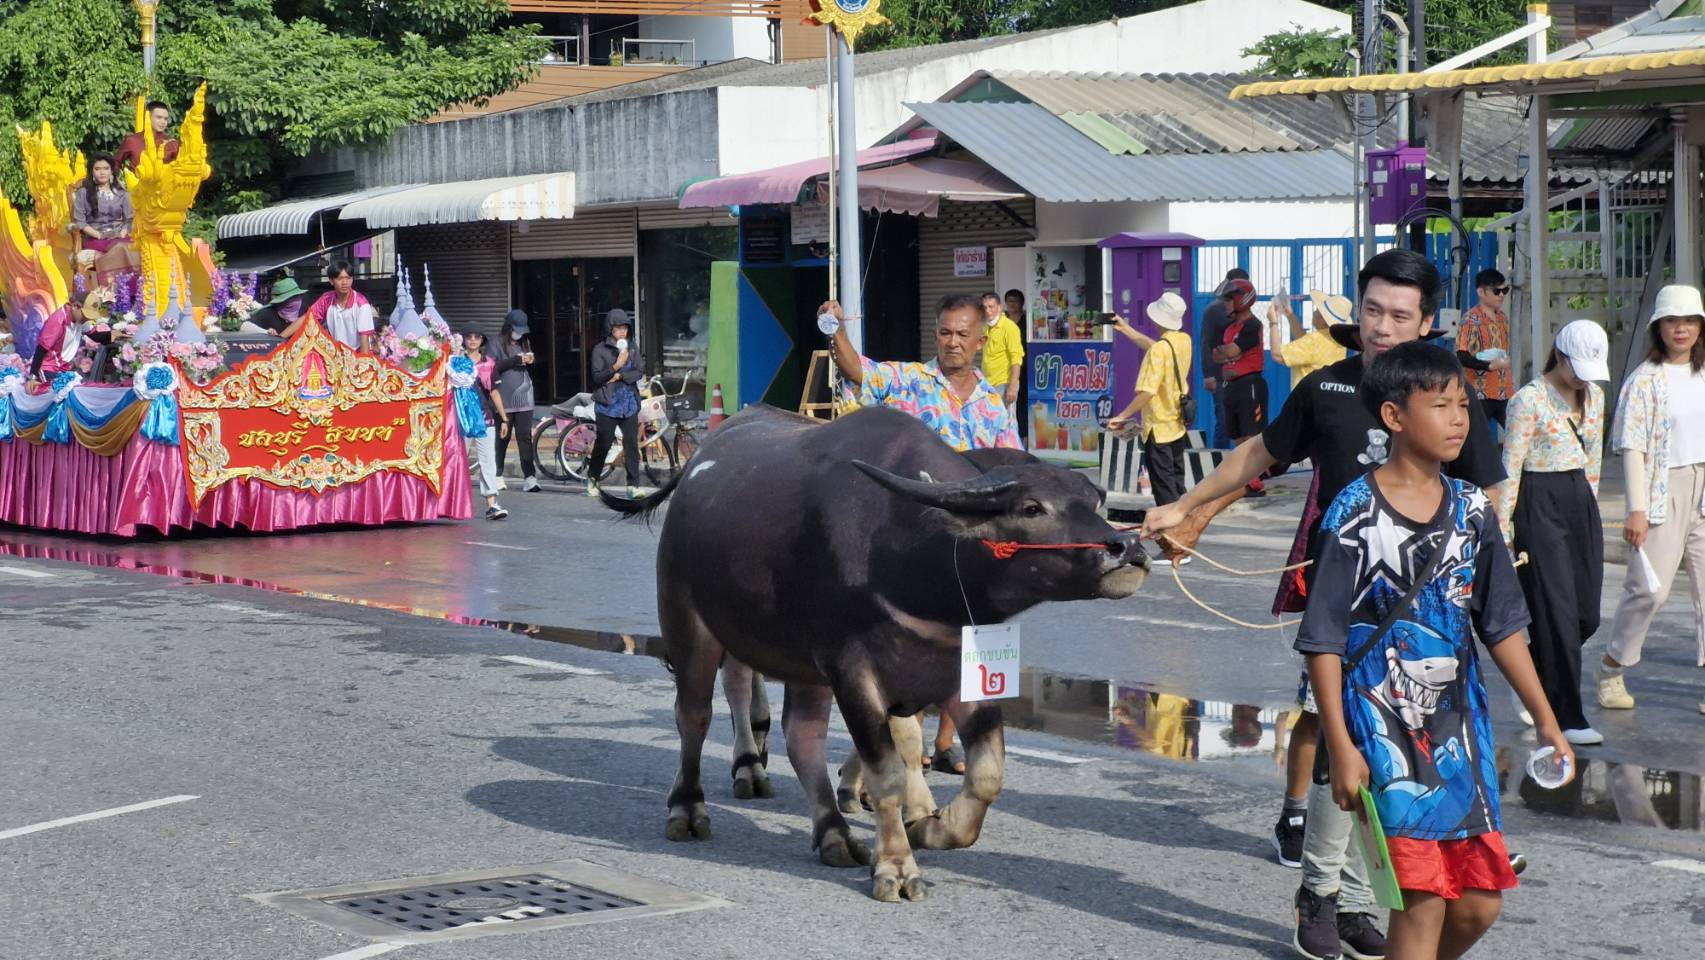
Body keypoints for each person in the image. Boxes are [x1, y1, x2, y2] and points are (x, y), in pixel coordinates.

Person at [1145, 249, 1505, 960]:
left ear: (1426, 322)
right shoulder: (1326, 389)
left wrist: (1489, 576)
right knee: (1336, 738)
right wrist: (1185, 507)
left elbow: (1487, 493)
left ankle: (1358, 899)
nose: (1381, 326)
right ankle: (1319, 893)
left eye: (1399, 315)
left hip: (1425, 623)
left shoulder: (1447, 394)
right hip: (1343, 613)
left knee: (1400, 761)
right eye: (1371, 310)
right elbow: (1258, 455)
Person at [1300, 341, 1572, 960]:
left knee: (1478, 904)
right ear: (1394, 416)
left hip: (1459, 733)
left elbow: (1502, 626)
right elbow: (1322, 641)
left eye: (1464, 406)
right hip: (1383, 731)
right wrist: (1340, 745)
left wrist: (1546, 719)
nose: (1459, 419)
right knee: (1421, 903)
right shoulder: (1352, 513)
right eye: (1441, 405)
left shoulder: (1473, 510)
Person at [824, 293, 1019, 776]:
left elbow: (1014, 468)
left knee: (973, 646)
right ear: (936, 335)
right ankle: (897, 752)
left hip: (973, 549)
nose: (953, 342)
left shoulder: (993, 404)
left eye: (963, 334)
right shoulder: (910, 381)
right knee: (915, 652)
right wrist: (834, 328)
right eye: (945, 333)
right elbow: (859, 371)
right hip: (915, 547)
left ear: (980, 341)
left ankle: (947, 743)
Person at [1494, 320, 1611, 745]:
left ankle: (1529, 671)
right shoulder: (1528, 399)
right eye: (1576, 367)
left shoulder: (1595, 396)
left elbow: (1593, 456)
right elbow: (1510, 465)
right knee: (1557, 614)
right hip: (1538, 502)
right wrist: (1504, 529)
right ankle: (1568, 717)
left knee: (1585, 616)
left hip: (1580, 501)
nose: (1581, 378)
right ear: (1559, 356)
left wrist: (1590, 508)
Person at [1596, 284, 1705, 714]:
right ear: (1658, 327)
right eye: (1672, 321)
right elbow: (1633, 447)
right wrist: (1636, 508)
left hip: (1704, 488)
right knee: (1648, 590)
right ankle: (1611, 666)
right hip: (1664, 490)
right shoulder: (1644, 380)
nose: (1681, 329)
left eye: (1690, 320)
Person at [1109, 292, 1193, 546]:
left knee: (1164, 490)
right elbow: (1155, 347)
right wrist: (1125, 329)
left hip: (1158, 428)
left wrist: (1122, 416)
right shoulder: (1182, 340)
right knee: (1177, 485)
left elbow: (1147, 392)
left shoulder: (1159, 350)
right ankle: (1186, 535)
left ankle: (1174, 545)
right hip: (1177, 425)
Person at [1212, 278, 1268, 495]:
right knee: (1236, 435)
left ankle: (1256, 481)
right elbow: (1216, 355)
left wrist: (1230, 354)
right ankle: (1246, 478)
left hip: (1249, 385)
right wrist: (1229, 354)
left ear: (1241, 300)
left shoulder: (1253, 325)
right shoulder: (1229, 328)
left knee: (1250, 435)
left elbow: (1231, 351)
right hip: (1231, 386)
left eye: (1228, 300)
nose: (1225, 305)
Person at [585, 308, 646, 496]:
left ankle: (633, 486)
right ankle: (593, 478)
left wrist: (619, 376)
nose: (622, 332)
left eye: (624, 328)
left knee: (631, 443)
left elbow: (639, 371)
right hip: (607, 404)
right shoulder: (600, 349)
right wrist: (616, 365)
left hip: (629, 404)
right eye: (618, 328)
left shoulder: (632, 347)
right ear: (610, 329)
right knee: (604, 442)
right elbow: (597, 377)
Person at [490, 309, 541, 492]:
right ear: (508, 327)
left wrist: (531, 360)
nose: (519, 334)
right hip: (504, 398)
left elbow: (528, 368)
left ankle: (530, 477)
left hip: (524, 396)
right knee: (502, 437)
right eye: (516, 330)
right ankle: (497, 474)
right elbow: (491, 368)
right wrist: (514, 360)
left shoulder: (524, 342)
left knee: (525, 437)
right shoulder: (495, 343)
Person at [461, 326, 509, 520]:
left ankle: (492, 504)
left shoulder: (489, 363)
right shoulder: (455, 361)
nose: (473, 340)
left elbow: (494, 393)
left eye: (477, 337)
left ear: (482, 340)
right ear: (463, 339)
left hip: (484, 417)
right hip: (461, 418)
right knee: (456, 460)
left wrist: (504, 418)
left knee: (488, 460)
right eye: (469, 336)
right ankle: (450, 502)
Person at [1456, 269, 1514, 427]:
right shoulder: (1470, 319)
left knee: (1517, 432)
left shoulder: (1503, 318)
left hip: (1504, 390)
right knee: (1475, 436)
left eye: (1504, 291)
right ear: (1481, 292)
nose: (1501, 295)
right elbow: (1462, 355)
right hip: (1479, 393)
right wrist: (1489, 366)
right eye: (1496, 291)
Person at [1201, 268, 1248, 448]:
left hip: (1240, 374)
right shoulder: (1216, 309)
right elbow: (1206, 344)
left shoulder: (1239, 309)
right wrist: (1209, 375)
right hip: (1221, 376)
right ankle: (1218, 459)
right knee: (1224, 419)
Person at [284, 261, 374, 352]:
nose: (345, 282)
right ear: (331, 281)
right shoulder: (327, 299)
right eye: (340, 278)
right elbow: (306, 318)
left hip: (357, 354)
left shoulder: (361, 304)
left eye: (348, 278)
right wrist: (280, 338)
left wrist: (363, 360)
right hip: (336, 354)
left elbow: (364, 340)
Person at [1269, 290, 1351, 389]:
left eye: (1318, 310)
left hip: (1307, 396)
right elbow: (1305, 343)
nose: (1314, 312)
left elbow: (1277, 354)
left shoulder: (1314, 341)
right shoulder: (1338, 340)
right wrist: (1290, 315)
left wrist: (1273, 322)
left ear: (1324, 320)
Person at [71, 156, 133, 279]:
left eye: (106, 168)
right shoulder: (83, 193)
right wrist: (99, 235)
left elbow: (129, 220)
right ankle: (111, 288)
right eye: (97, 169)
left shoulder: (122, 194)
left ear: (111, 171)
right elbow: (80, 222)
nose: (102, 172)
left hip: (120, 236)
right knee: (119, 248)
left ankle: (131, 288)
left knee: (131, 248)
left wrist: (122, 233)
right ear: (92, 171)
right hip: (96, 238)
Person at [980, 291, 1024, 418]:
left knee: (1007, 423)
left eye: (991, 307)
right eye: (984, 307)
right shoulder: (986, 327)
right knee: (991, 421)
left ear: (999, 307)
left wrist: (1012, 386)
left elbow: (1016, 358)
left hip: (1004, 383)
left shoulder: (1009, 327)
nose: (987, 310)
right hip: (988, 384)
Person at [114, 101, 180, 172]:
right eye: (159, 117)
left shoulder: (172, 143)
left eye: (165, 119)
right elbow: (115, 164)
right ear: (147, 117)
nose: (163, 122)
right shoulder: (132, 141)